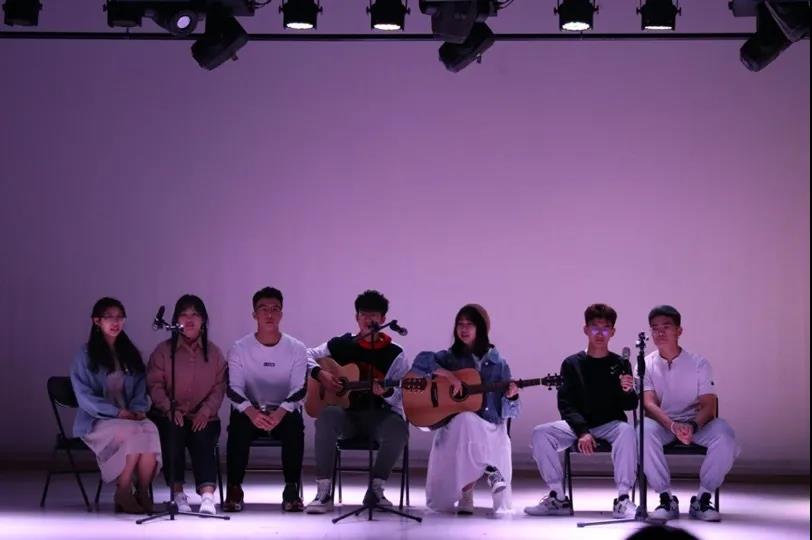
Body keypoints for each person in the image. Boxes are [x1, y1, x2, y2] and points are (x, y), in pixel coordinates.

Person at [526, 303, 638, 518]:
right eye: (595, 327)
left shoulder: (620, 363)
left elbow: (630, 405)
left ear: (612, 332)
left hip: (610, 424)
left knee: (627, 432)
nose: (600, 333)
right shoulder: (571, 364)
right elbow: (566, 404)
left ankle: (623, 499)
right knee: (541, 433)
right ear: (586, 329)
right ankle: (558, 498)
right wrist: (582, 432)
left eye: (605, 328)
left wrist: (628, 390)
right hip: (577, 426)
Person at [304, 290, 410, 513]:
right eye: (364, 314)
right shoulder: (341, 344)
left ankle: (375, 491)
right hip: (346, 417)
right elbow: (305, 355)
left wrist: (386, 393)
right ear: (356, 317)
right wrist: (320, 374)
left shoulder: (396, 353)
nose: (368, 319)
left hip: (379, 416)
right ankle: (323, 492)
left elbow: (402, 397)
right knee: (326, 416)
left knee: (399, 429)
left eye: (374, 315)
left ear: (383, 319)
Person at [410, 304, 519, 514]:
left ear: (481, 328)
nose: (464, 329)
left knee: (469, 420)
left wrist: (511, 397)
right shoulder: (450, 357)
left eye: (470, 324)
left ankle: (468, 491)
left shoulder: (499, 363)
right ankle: (484, 476)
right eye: (460, 324)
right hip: (456, 427)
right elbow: (421, 362)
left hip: (489, 426)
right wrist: (448, 375)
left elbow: (509, 412)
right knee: (465, 419)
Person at [643, 305, 740, 522]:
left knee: (725, 435)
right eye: (655, 328)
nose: (660, 332)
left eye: (666, 327)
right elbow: (649, 403)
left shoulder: (698, 363)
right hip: (663, 424)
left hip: (696, 423)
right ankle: (666, 499)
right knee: (642, 433)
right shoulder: (646, 364)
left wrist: (692, 426)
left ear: (679, 331)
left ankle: (702, 499)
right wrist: (672, 426)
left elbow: (708, 405)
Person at [70, 297, 162, 514]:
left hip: (129, 416)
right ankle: (123, 489)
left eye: (120, 317)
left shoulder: (129, 353)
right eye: (109, 317)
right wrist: (117, 412)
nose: (115, 322)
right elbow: (84, 396)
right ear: (96, 321)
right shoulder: (85, 355)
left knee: (150, 430)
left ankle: (142, 490)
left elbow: (140, 387)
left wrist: (138, 410)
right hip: (98, 419)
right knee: (132, 432)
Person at [223, 287, 308, 512]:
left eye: (275, 309)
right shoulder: (239, 348)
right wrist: (252, 412)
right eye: (263, 309)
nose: (269, 314)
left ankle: (291, 489)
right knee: (238, 425)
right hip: (250, 411)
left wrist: (280, 412)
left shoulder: (297, 348)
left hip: (282, 411)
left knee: (294, 424)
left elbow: (300, 388)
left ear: (281, 314)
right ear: (254, 314)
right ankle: (234, 488)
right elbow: (233, 388)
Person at [147, 294, 227, 515]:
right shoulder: (163, 351)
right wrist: (168, 408)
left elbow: (219, 386)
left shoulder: (214, 353)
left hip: (203, 415)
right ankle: (178, 493)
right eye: (184, 314)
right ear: (175, 319)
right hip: (170, 414)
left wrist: (206, 411)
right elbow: (154, 385)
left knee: (203, 437)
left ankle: (208, 497)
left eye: (195, 314)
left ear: (203, 320)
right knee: (172, 434)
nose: (189, 319)